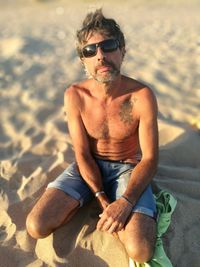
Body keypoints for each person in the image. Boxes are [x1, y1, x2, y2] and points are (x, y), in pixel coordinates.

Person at [26, 9, 158, 264]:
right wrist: (101, 197)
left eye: (108, 46)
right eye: (90, 50)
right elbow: (82, 153)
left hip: (128, 168)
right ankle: (89, 199)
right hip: (89, 166)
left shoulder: (141, 96)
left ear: (122, 50)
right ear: (82, 61)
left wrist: (126, 201)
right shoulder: (74, 95)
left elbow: (150, 158)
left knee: (140, 250)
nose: (101, 55)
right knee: (36, 226)